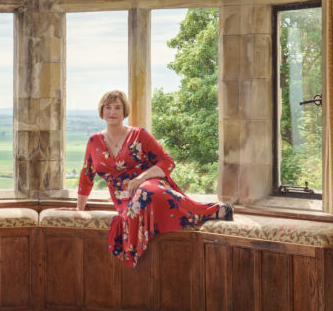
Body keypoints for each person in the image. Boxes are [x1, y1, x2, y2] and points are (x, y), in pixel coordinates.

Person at [76, 89, 233, 267]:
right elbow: (86, 176)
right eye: (108, 107)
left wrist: (141, 178)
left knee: (146, 192)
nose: (112, 112)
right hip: (124, 197)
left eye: (117, 107)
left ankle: (211, 211)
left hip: (149, 182)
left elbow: (168, 162)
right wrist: (79, 208)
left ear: (124, 111)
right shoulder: (93, 142)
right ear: (102, 111)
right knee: (137, 204)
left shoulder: (139, 135)